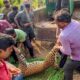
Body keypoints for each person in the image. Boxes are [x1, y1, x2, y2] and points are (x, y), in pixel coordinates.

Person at [54, 10, 80, 80]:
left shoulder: (64, 35)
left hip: (78, 57)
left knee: (67, 68)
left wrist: (59, 47)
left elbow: (68, 52)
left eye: (58, 24)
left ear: (64, 22)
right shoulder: (75, 22)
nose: (57, 25)